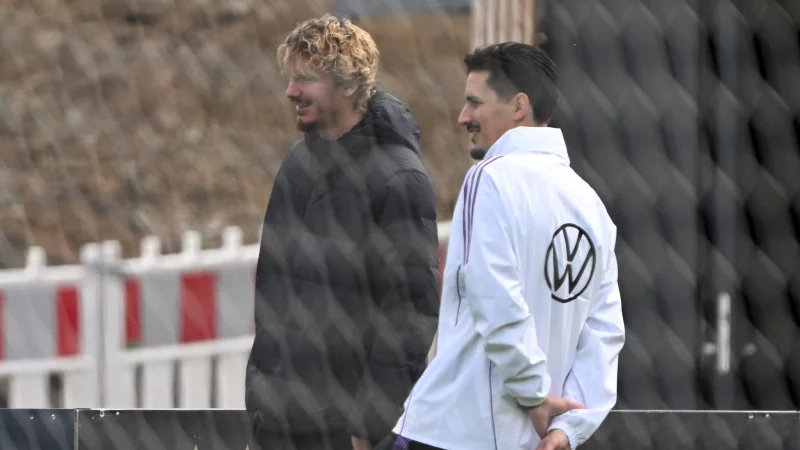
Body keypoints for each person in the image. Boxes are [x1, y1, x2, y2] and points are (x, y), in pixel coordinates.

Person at [379, 43, 626, 450]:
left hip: (454, 430)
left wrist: (533, 395)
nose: (463, 117)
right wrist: (571, 427)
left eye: (475, 103)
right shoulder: (590, 204)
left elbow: (495, 296)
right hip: (534, 439)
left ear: (518, 106)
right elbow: (604, 333)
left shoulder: (490, 177)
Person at [245, 14, 440, 450]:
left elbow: (410, 316)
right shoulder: (298, 163)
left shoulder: (399, 178)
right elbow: (272, 291)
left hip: (345, 432)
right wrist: (261, 406)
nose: (290, 91)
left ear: (348, 85)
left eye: (306, 79)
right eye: (290, 78)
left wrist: (366, 428)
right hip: (281, 423)